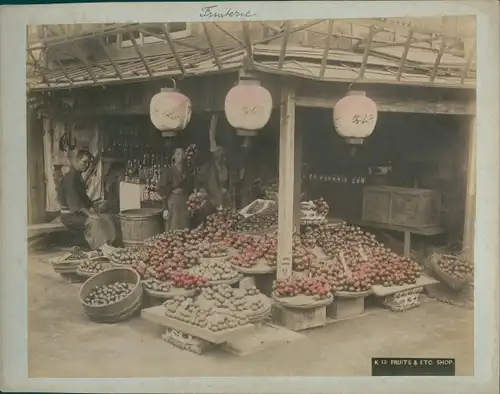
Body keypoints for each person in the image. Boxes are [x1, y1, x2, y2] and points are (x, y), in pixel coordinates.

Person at [57, 150, 117, 250]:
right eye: (84, 162)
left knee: (107, 217)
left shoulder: (77, 177)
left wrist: (95, 205)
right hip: (70, 216)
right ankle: (102, 248)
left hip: (77, 213)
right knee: (93, 221)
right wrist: (90, 214)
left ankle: (109, 243)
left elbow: (84, 199)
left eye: (89, 163)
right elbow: (75, 203)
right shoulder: (70, 178)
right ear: (77, 161)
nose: (87, 165)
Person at [158, 147, 194, 231]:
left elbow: (191, 189)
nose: (181, 156)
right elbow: (161, 189)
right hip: (173, 203)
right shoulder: (168, 171)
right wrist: (165, 208)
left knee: (185, 227)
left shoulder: (188, 172)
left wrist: (192, 205)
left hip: (185, 202)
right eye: (178, 154)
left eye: (182, 154)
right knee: (173, 227)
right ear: (173, 156)